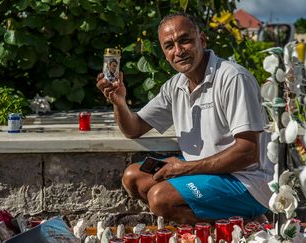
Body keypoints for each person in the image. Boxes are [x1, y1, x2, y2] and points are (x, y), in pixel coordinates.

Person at [96, 13, 274, 224]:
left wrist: (185, 168)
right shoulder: (175, 85)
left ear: (202, 40)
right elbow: (134, 128)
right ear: (164, 52)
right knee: (134, 177)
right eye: (169, 45)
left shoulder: (233, 78)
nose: (178, 51)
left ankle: (244, 227)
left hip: (246, 181)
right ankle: (238, 221)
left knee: (160, 198)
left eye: (185, 40)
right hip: (207, 173)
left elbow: (248, 153)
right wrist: (119, 102)